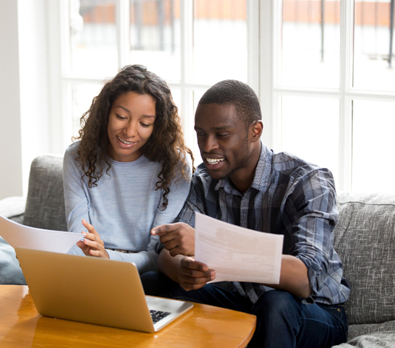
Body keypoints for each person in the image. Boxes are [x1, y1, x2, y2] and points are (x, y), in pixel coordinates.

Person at [141, 80, 350, 347]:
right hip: (246, 305)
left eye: (222, 134)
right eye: (201, 134)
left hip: (313, 311)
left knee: (276, 304)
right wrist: (181, 267)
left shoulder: (307, 181)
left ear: (255, 131)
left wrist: (209, 245)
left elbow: (305, 279)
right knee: (154, 283)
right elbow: (165, 252)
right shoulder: (203, 182)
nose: (208, 146)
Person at [63, 64, 193, 274]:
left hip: (141, 274)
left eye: (144, 123)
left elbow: (156, 256)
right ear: (106, 113)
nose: (130, 131)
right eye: (121, 117)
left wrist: (107, 257)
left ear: (157, 126)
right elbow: (79, 240)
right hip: (87, 267)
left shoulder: (176, 166)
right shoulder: (77, 157)